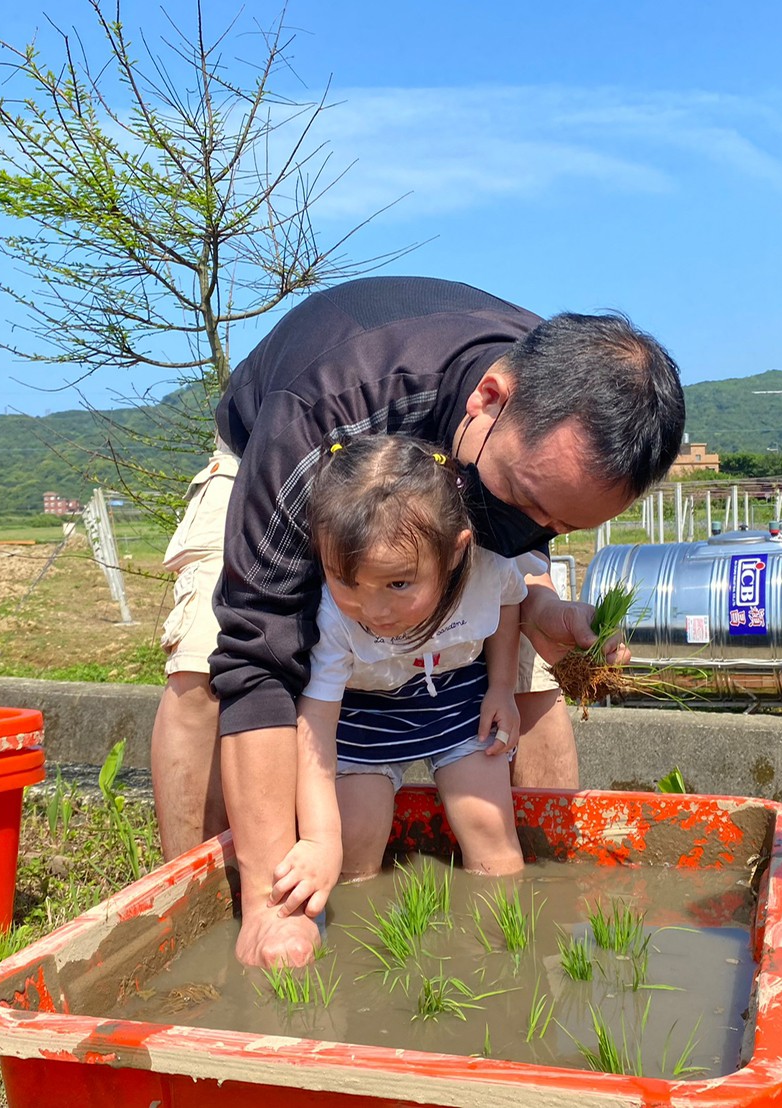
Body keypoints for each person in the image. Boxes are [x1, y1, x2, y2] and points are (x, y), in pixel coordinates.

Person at [148, 275, 685, 967]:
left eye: (560, 521)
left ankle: (542, 894)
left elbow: (527, 526)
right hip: (299, 464)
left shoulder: (548, 417)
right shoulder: (324, 403)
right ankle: (218, 911)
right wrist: (267, 905)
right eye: (525, 499)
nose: (534, 527)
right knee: (205, 669)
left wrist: (542, 606)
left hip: (454, 482)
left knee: (534, 668)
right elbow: (259, 647)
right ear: (490, 397)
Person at [271, 435, 526, 920]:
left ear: (454, 553)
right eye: (347, 581)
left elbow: (510, 604)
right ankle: (363, 962)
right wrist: (319, 841)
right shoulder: (331, 615)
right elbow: (318, 725)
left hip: (456, 702)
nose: (374, 609)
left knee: (491, 833)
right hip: (363, 716)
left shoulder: (486, 570)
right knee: (354, 849)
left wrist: (501, 687)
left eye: (399, 583)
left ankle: (502, 959)